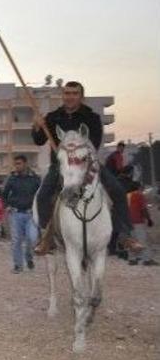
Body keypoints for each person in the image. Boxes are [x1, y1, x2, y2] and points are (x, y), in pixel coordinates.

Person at [33, 81, 144, 255]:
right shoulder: (53, 117)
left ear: (81, 96)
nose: (70, 97)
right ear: (63, 96)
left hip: (88, 164)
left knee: (117, 191)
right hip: (60, 166)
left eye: (74, 93)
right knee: (42, 196)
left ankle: (125, 235)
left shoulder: (91, 117)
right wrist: (37, 126)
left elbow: (95, 143)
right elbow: (39, 140)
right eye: (67, 93)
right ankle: (47, 236)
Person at [2, 155, 41, 273]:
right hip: (15, 214)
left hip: (31, 214)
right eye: (15, 164)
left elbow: (41, 195)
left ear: (25, 163)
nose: (17, 166)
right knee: (16, 240)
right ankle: (18, 265)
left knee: (32, 238)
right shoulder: (12, 178)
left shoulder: (35, 178)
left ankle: (29, 257)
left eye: (19, 163)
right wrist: (7, 206)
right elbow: (4, 195)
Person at [127, 181, 156, 266]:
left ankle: (132, 259)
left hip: (128, 222)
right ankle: (147, 259)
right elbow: (143, 209)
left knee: (132, 240)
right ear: (138, 187)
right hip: (138, 221)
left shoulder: (127, 195)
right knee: (143, 240)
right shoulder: (139, 195)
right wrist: (149, 219)